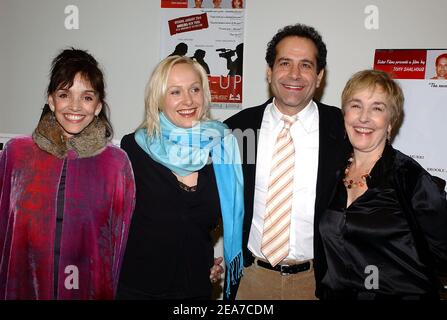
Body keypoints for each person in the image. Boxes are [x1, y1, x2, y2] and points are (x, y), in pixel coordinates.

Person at [224, 23, 348, 299]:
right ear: (269, 72)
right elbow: (208, 200)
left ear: (319, 76)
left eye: (306, 65)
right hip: (251, 280)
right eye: (285, 63)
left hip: (317, 283)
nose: (294, 74)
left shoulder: (343, 130)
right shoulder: (237, 130)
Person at [0, 48, 136, 299]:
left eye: (86, 97)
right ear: (51, 101)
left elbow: (121, 247)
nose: (75, 106)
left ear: (97, 106)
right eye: (65, 94)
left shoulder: (116, 165)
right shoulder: (16, 154)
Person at [117, 55, 244, 300]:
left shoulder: (221, 148)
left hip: (195, 288)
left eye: (194, 89)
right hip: (138, 290)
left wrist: (207, 261)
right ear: (158, 99)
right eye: (175, 92)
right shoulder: (133, 148)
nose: (188, 100)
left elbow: (202, 226)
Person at [319, 69, 447, 300]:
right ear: (345, 113)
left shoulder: (410, 178)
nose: (364, 117)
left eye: (377, 108)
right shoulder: (329, 172)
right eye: (356, 105)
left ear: (391, 122)